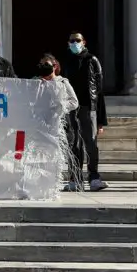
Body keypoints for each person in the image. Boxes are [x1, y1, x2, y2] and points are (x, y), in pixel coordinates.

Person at [61, 31, 109, 191]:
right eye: (72, 40)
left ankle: (94, 177)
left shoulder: (92, 60)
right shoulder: (67, 62)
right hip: (72, 108)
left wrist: (102, 119)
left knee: (91, 144)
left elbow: (99, 91)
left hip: (89, 108)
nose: (74, 43)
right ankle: (75, 179)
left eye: (77, 40)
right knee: (74, 144)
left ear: (84, 42)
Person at [37, 54, 82, 191]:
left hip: (60, 123)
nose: (45, 67)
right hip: (43, 123)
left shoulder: (62, 82)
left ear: (54, 66)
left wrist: (61, 107)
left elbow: (74, 101)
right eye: (42, 64)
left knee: (62, 152)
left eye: (47, 64)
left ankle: (65, 179)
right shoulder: (36, 83)